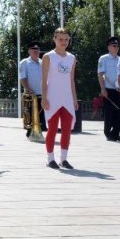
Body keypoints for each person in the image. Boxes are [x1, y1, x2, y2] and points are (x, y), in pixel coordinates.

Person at [40, 28, 78, 169]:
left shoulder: (72, 58)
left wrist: (74, 99)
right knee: (53, 129)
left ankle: (64, 159)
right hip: (52, 97)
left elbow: (71, 80)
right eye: (60, 39)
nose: (63, 42)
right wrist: (44, 98)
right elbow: (44, 79)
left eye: (66, 39)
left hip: (67, 98)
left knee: (67, 129)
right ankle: (50, 159)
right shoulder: (48, 56)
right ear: (54, 39)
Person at [97, 37, 120, 142]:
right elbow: (100, 74)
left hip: (119, 89)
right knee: (109, 113)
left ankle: (116, 133)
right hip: (109, 89)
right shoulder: (103, 59)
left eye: (117, 46)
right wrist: (103, 89)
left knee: (119, 112)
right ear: (109, 47)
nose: (116, 48)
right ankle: (108, 133)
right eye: (114, 45)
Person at [19, 42, 44, 136]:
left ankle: (38, 133)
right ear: (29, 51)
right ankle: (30, 132)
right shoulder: (24, 62)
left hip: (42, 93)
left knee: (40, 115)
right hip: (31, 94)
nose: (36, 51)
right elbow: (22, 77)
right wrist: (27, 88)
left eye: (37, 50)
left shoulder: (42, 62)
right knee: (30, 114)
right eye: (33, 50)